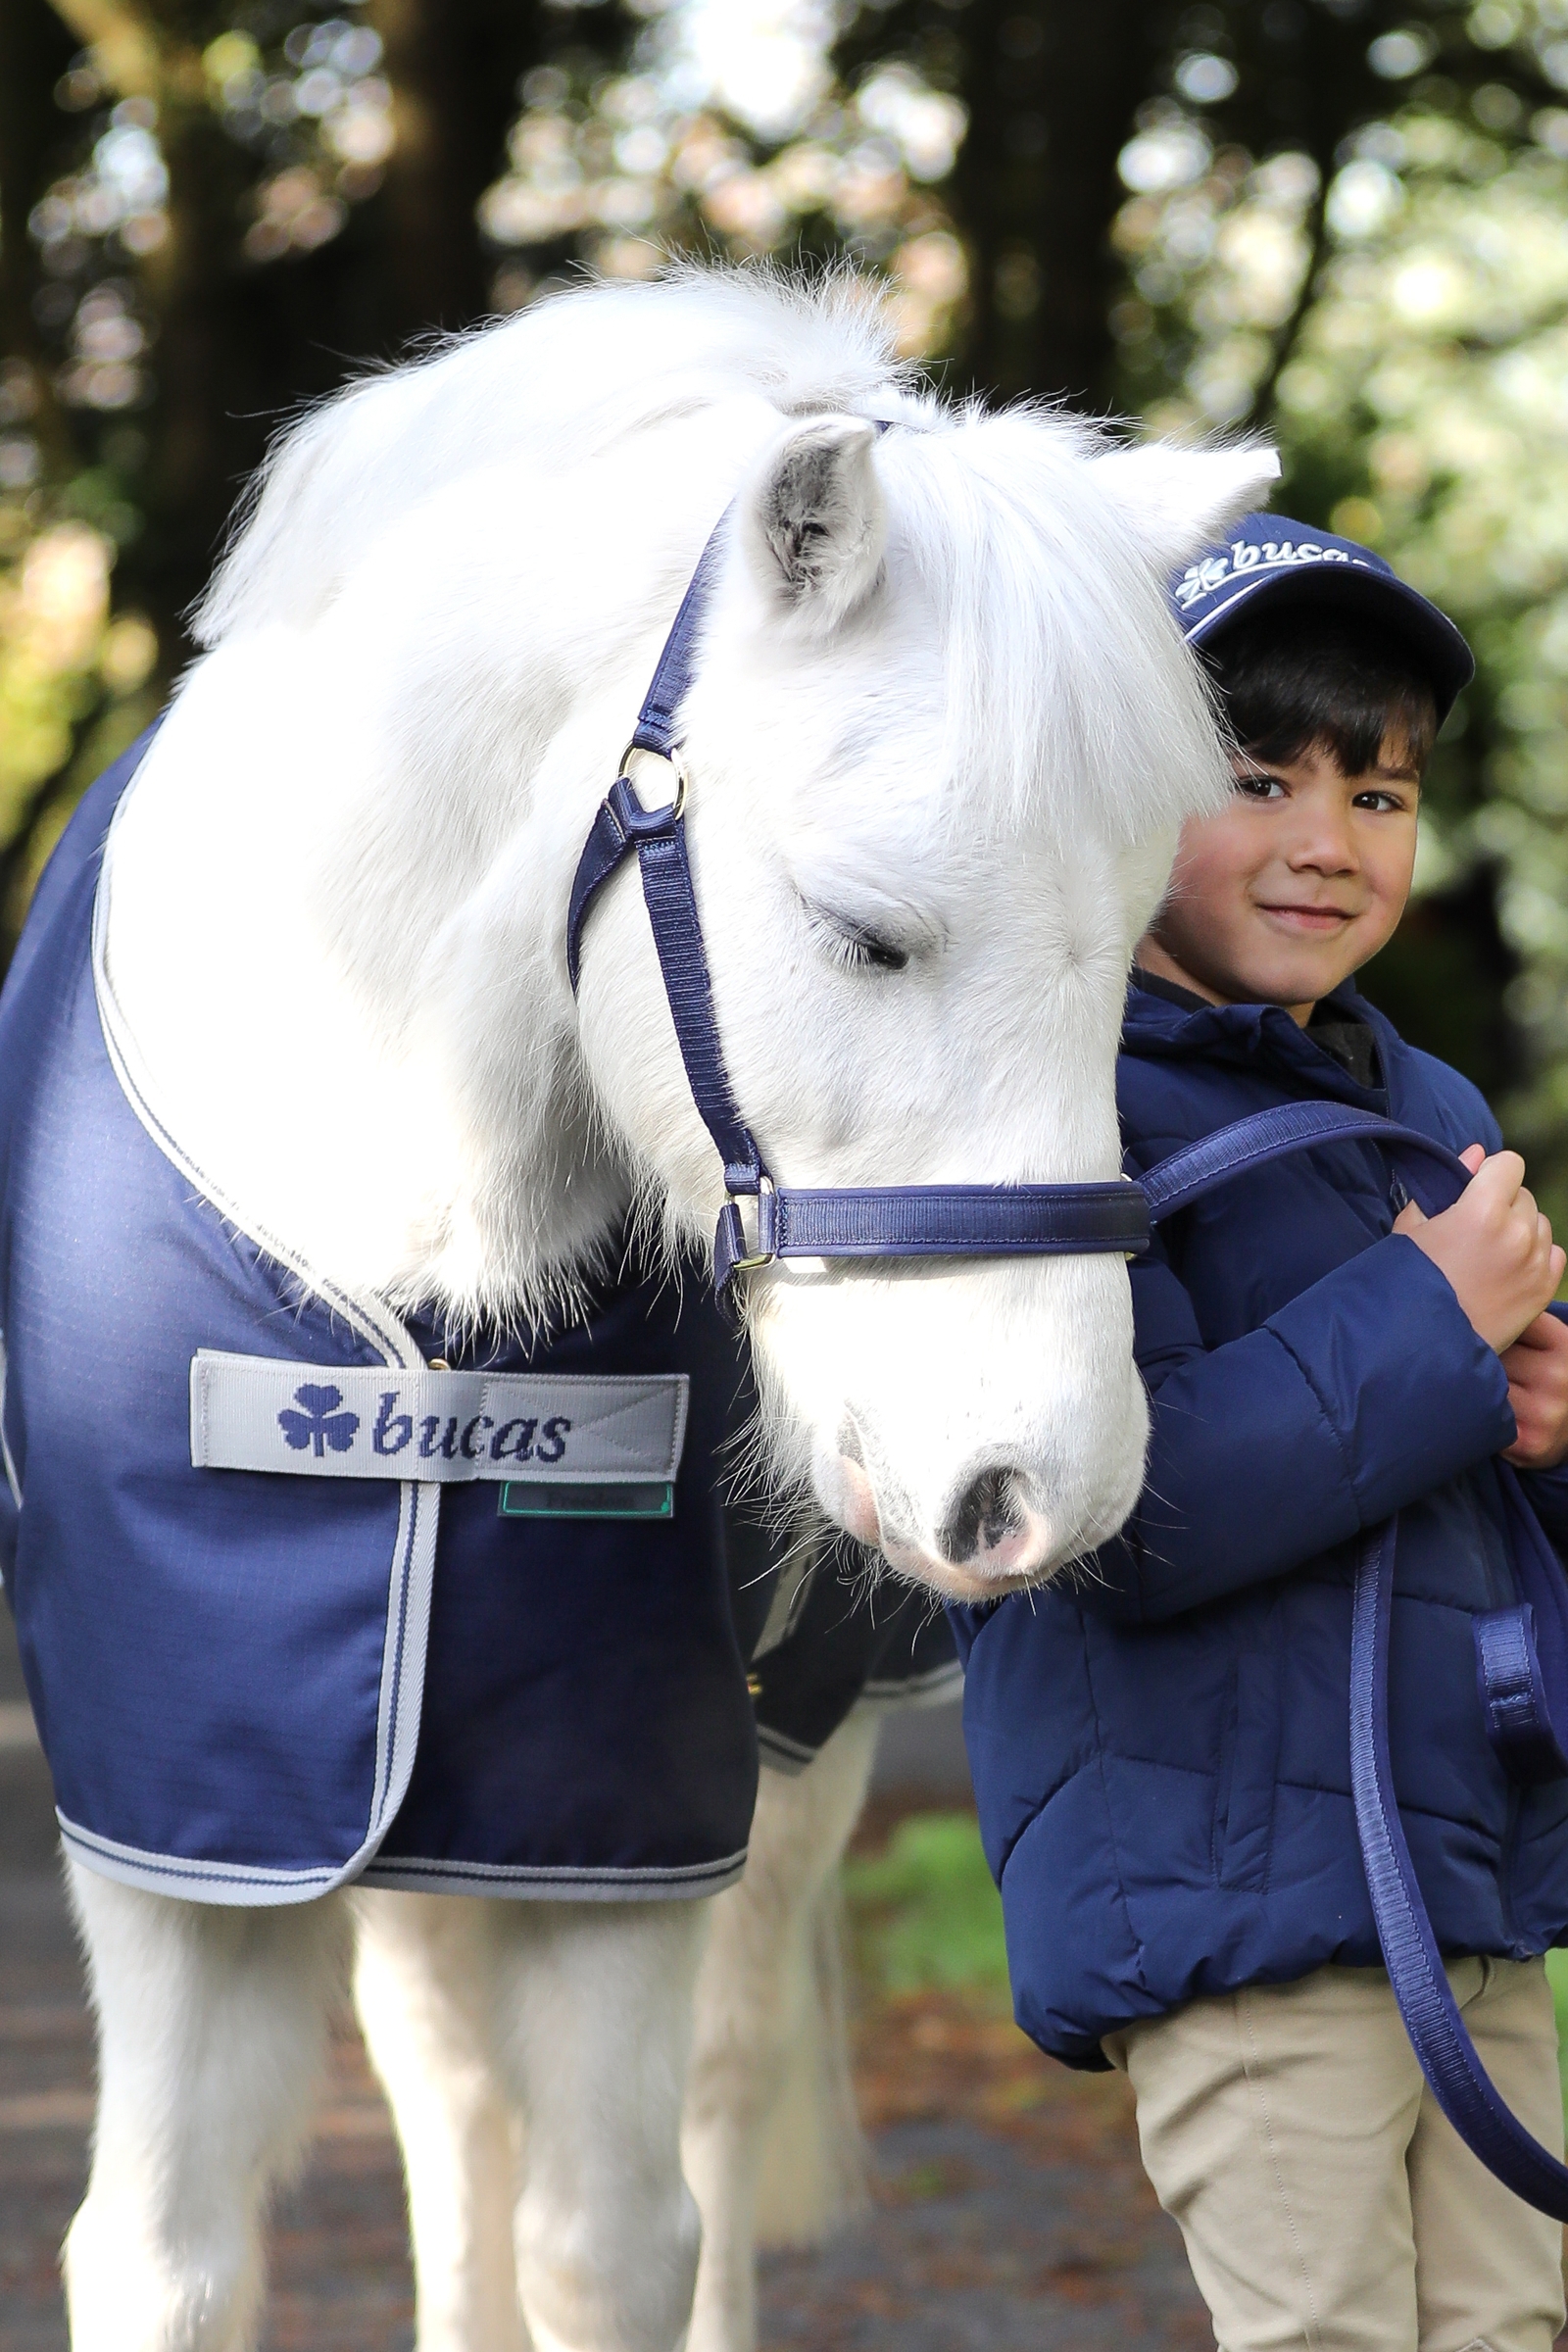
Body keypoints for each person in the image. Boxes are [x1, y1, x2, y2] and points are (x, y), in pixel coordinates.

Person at [955, 514, 1568, 2352]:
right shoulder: (1048, 1110)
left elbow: (1454, 1480)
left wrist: (1539, 1418)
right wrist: (1427, 1323)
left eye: (1378, 794)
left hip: (1464, 1879)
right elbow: (1105, 1520)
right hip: (1234, 1904)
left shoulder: (1420, 1096)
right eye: (1255, 778)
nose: (1329, 840)